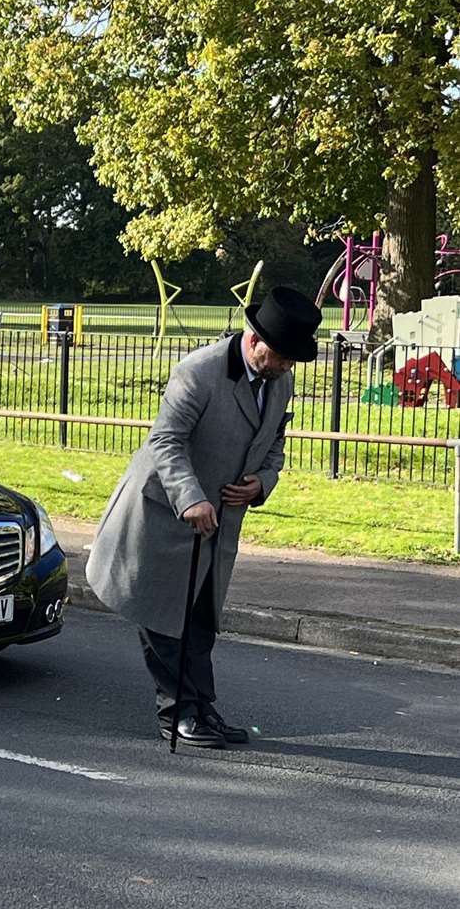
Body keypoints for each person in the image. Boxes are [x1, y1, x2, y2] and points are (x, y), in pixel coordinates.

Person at [88, 286, 323, 749]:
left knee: (198, 619)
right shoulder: (198, 372)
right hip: (163, 511)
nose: (284, 368)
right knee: (163, 618)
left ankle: (201, 707)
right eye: (279, 357)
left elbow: (274, 442)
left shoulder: (280, 378)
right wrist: (192, 498)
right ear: (255, 341)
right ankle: (176, 713)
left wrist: (263, 481)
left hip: (218, 522)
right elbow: (165, 442)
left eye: (290, 361)